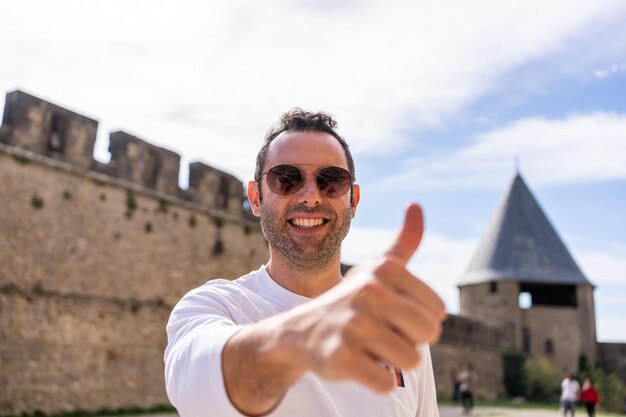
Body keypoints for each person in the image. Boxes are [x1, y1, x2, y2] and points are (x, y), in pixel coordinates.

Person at [164, 108, 447, 417]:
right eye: (286, 179)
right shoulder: (214, 307)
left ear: (353, 200)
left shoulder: (395, 329)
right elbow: (196, 387)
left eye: (331, 181)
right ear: (256, 198)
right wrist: (300, 339)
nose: (311, 197)